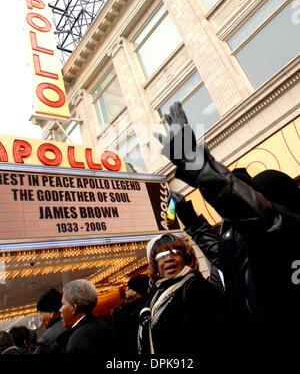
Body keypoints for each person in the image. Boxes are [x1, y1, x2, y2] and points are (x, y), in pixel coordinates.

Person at [155, 101, 300, 353]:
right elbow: (224, 255)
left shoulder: (282, 228)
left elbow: (253, 213)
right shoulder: (247, 239)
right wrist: (189, 218)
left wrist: (196, 164)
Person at [137, 233, 224, 354]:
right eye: (161, 255)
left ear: (186, 258)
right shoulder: (155, 296)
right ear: (156, 266)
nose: (168, 258)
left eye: (175, 252)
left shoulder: (198, 288)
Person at [57, 279, 114, 354]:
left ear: (74, 308)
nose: (60, 310)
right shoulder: (103, 325)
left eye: (63, 304)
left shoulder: (77, 342)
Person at [111, 274, 150, 353]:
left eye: (128, 288)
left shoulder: (128, 311)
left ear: (136, 291)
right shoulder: (147, 303)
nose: (126, 290)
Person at [34, 287, 67, 354]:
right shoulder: (74, 325)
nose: (39, 318)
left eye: (41, 313)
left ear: (51, 313)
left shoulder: (46, 340)